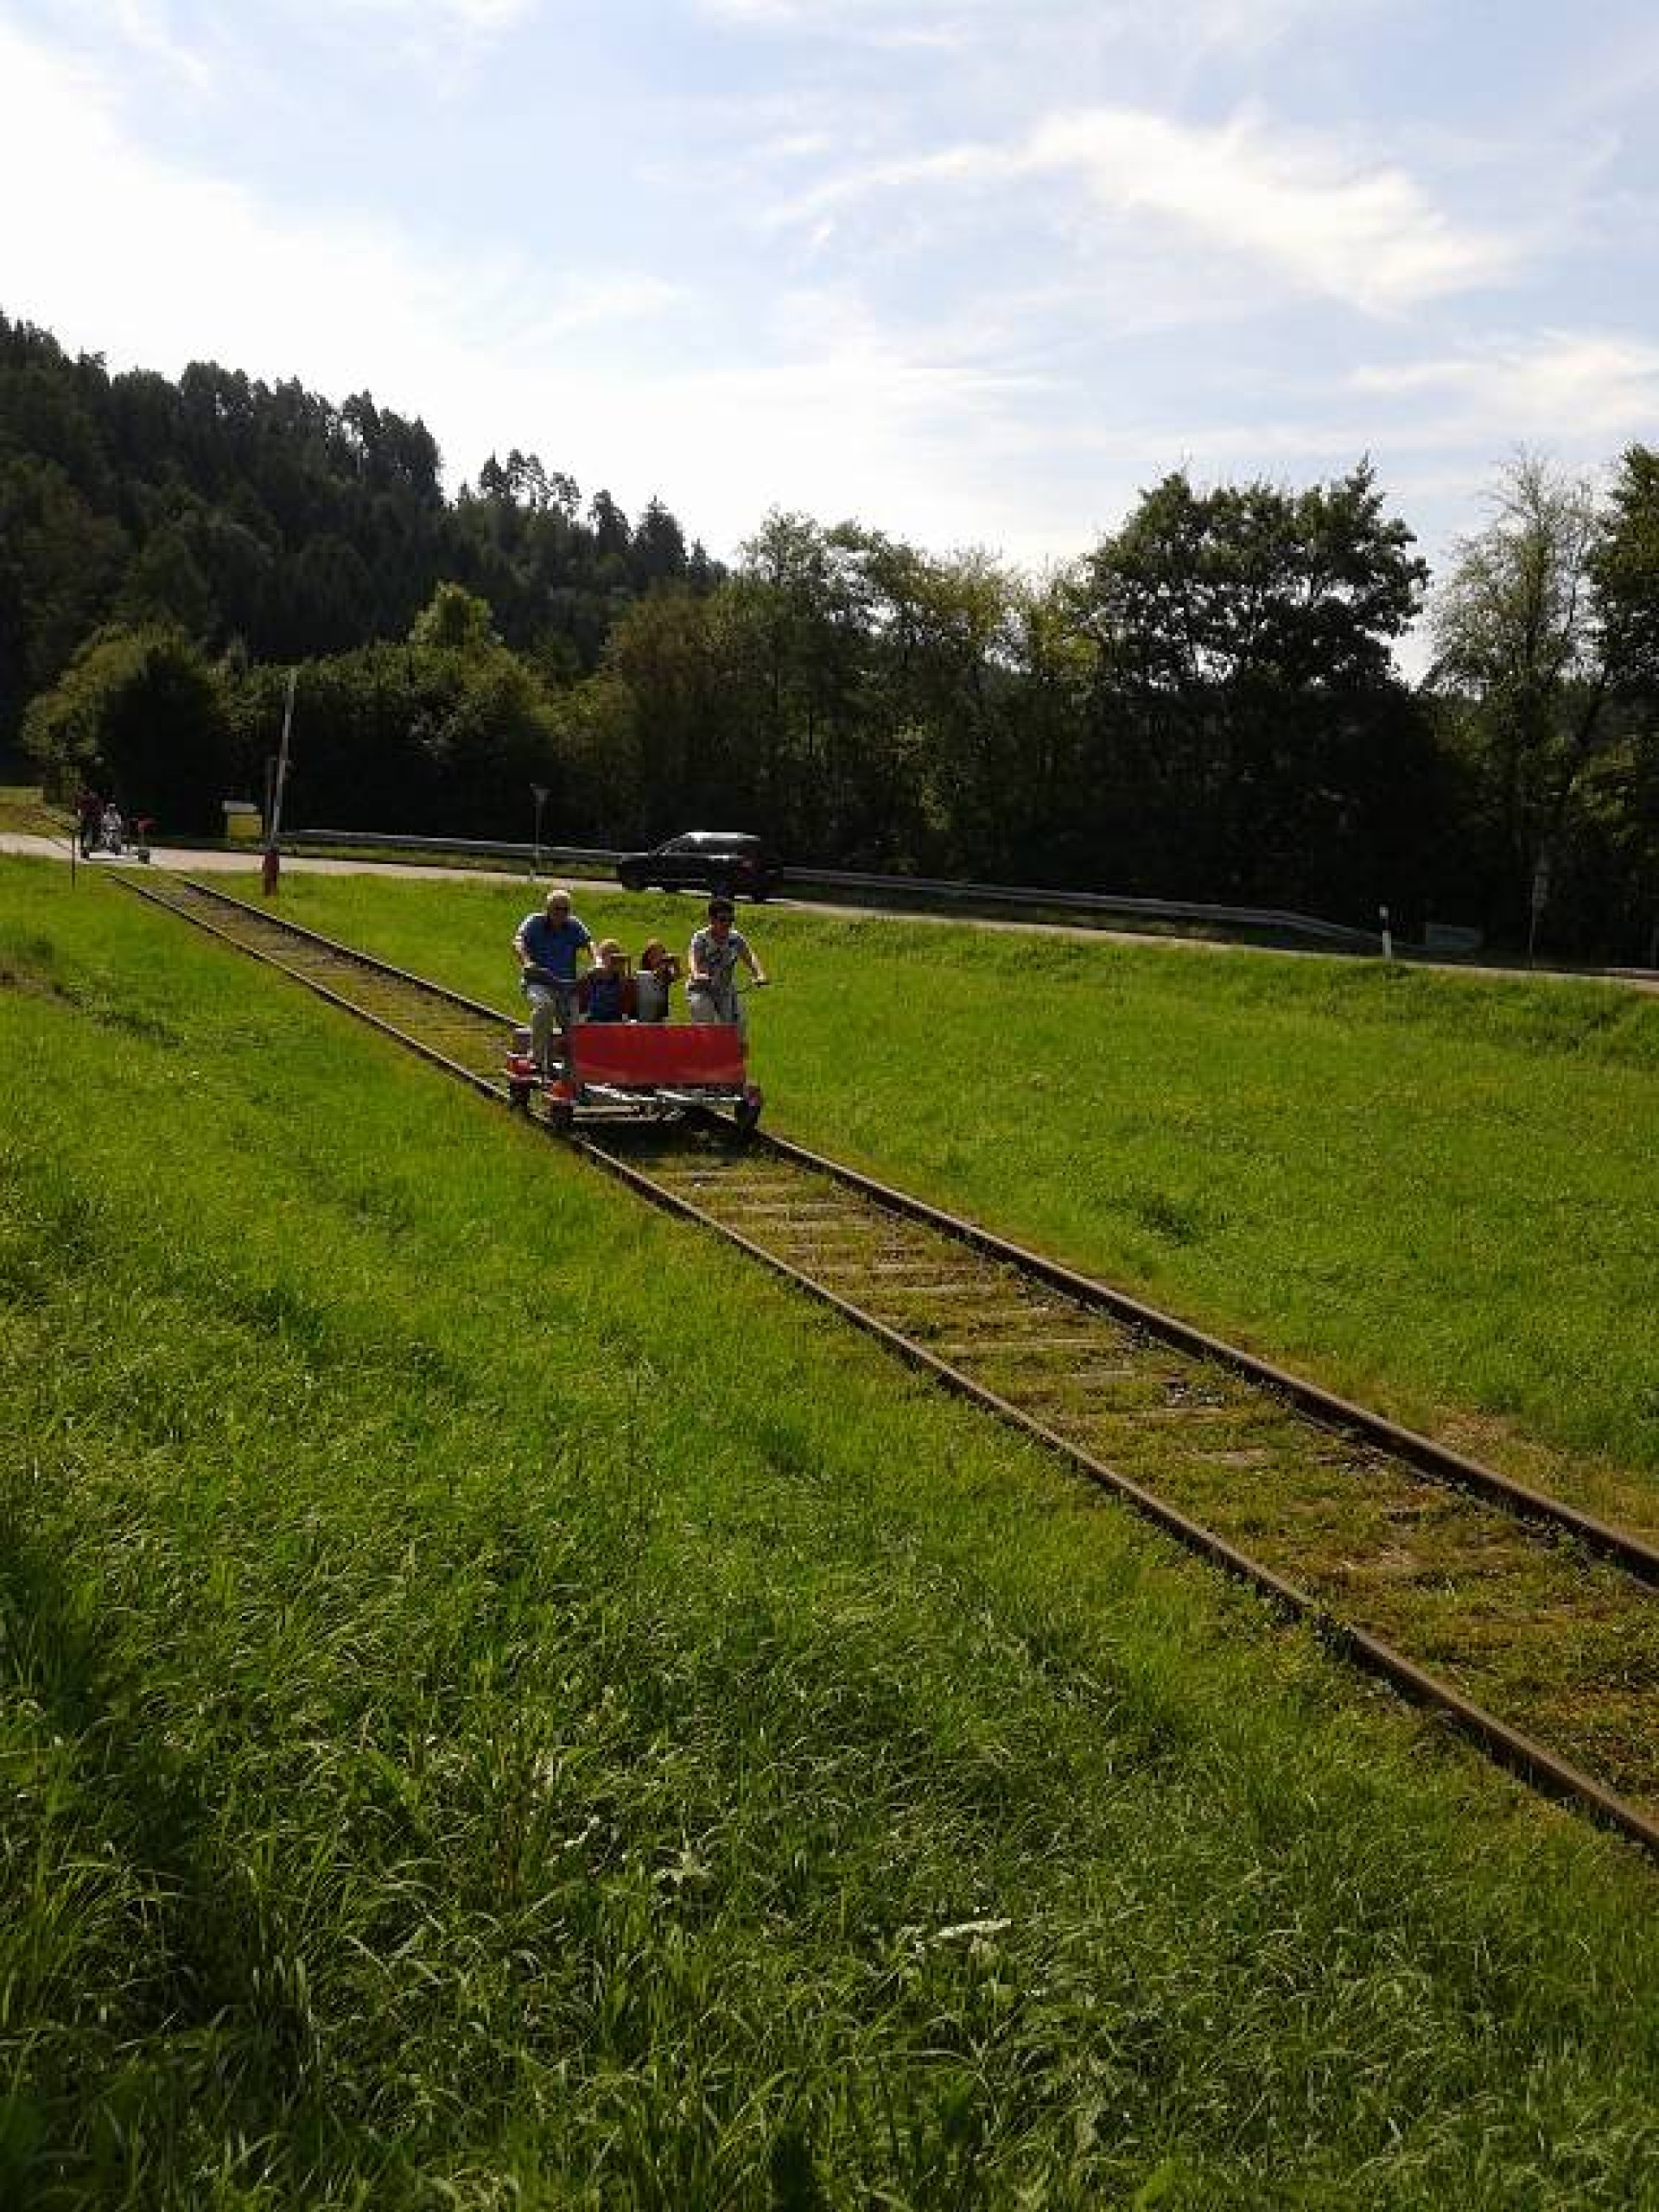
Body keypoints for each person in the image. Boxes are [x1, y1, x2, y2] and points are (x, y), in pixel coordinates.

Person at [512, 887, 593, 1073]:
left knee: (575, 1024)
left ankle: (572, 1067)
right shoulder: (534, 922)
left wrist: (596, 960)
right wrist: (527, 962)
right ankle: (537, 1058)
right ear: (547, 909)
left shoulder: (573, 925)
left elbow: (589, 943)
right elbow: (518, 941)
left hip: (566, 986)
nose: (561, 914)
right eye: (557, 909)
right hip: (539, 981)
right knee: (545, 1006)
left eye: (566, 910)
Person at [686, 897, 767, 1032]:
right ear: (711, 920)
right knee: (705, 1020)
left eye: (731, 920)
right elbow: (692, 959)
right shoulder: (701, 938)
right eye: (722, 920)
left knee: (738, 1024)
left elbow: (749, 956)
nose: (727, 924)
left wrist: (759, 974)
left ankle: (735, 1045)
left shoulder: (735, 938)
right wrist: (696, 974)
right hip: (701, 989)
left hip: (725, 990)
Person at [576, 938, 638, 1022]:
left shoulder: (626, 980)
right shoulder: (590, 977)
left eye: (616, 953)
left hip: (617, 1021)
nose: (612, 957)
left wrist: (623, 980)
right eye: (608, 953)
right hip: (594, 1020)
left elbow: (628, 1010)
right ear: (601, 957)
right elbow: (581, 1005)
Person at [634, 938, 681, 1022]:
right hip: (643, 1011)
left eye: (661, 954)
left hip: (659, 1013)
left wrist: (676, 964)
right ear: (647, 957)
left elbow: (677, 976)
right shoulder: (641, 973)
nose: (658, 958)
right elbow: (652, 975)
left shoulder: (665, 974)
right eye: (654, 955)